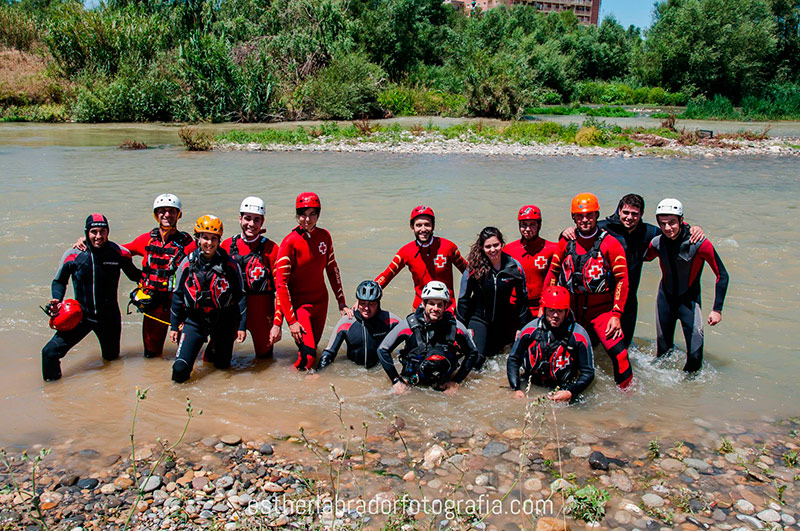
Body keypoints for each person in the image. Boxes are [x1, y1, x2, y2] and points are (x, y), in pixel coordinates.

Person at [560, 194, 704, 348]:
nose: (630, 217)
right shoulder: (603, 228)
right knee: (592, 345)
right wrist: (566, 231)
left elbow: (671, 231)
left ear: (641, 214)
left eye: (635, 214)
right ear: (619, 211)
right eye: (626, 213)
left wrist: (691, 228)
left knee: (624, 346)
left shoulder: (648, 232)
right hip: (604, 301)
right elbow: (580, 234)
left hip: (629, 300)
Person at [543, 193, 633, 389]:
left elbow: (622, 280)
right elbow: (553, 273)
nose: (585, 220)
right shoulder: (566, 242)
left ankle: (627, 398)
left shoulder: (610, 244)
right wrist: (545, 307)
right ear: (573, 218)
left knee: (620, 354)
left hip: (600, 312)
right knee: (559, 356)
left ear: (597, 215)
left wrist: (616, 315)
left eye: (590, 215)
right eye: (580, 216)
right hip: (571, 312)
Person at [41, 214, 141, 381]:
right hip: (81, 316)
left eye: (103, 231)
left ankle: (111, 402)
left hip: (109, 318)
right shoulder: (73, 254)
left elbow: (135, 275)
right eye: (94, 232)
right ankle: (53, 395)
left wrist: (156, 283)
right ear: (87, 233)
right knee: (49, 352)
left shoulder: (119, 253)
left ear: (108, 232)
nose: (98, 236)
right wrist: (57, 299)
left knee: (112, 363)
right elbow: (59, 281)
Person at [644, 199, 729, 372]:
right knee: (663, 355)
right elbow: (640, 258)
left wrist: (717, 309)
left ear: (682, 220)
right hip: (665, 301)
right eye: (663, 223)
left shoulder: (699, 243)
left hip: (689, 303)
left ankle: (691, 397)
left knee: (695, 359)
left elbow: (722, 275)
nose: (668, 228)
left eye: (672, 222)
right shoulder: (657, 243)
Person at [274, 192, 348, 370]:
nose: (307, 219)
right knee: (308, 357)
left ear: (318, 215)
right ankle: (294, 389)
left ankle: (304, 389)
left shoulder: (324, 236)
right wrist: (291, 322)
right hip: (300, 307)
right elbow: (281, 284)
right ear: (297, 215)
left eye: (312, 214)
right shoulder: (289, 242)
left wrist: (342, 303)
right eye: (303, 214)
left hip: (321, 303)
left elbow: (332, 269)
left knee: (312, 351)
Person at [169, 215, 246, 383]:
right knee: (179, 370)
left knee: (222, 370)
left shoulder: (230, 265)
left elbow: (240, 296)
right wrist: (174, 326)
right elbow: (177, 295)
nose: (209, 243)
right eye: (205, 237)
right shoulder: (187, 264)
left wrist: (241, 326)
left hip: (223, 321)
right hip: (195, 321)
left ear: (219, 240)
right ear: (198, 238)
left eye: (213, 238)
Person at [123, 194, 196, 358]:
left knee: (184, 357)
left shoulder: (188, 244)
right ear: (156, 215)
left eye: (171, 211)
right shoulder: (146, 240)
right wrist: (85, 243)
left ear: (179, 215)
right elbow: (117, 251)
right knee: (151, 357)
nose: (167, 215)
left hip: (177, 307)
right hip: (152, 306)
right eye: (162, 211)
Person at [377, 281, 479, 395]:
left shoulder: (456, 327)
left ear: (446, 306)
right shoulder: (408, 325)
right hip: (413, 384)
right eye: (431, 303)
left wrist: (456, 381)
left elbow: (473, 353)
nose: (435, 308)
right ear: (424, 304)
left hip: (444, 383)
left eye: (440, 304)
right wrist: (396, 381)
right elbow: (382, 350)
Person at [457, 227, 532, 369]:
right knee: (477, 361)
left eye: (496, 245)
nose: (493, 250)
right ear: (482, 248)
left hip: (503, 321)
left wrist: (521, 328)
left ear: (502, 244)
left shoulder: (514, 267)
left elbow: (523, 300)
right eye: (488, 246)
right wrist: (461, 329)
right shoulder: (474, 268)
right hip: (479, 319)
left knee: (502, 361)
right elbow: (463, 299)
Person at [218, 196, 282, 359]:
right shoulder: (225, 245)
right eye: (247, 218)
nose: (251, 224)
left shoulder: (272, 248)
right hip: (231, 312)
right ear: (239, 218)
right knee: (215, 360)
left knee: (265, 363)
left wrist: (277, 323)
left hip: (261, 314)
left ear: (263, 222)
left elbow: (281, 289)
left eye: (256, 220)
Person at [507, 286, 594, 401]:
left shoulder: (579, 336)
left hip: (564, 388)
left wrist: (570, 392)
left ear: (567, 311)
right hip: (530, 383)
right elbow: (513, 359)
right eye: (551, 310)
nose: (555, 315)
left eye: (560, 311)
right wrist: (516, 389)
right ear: (544, 309)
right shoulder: (529, 331)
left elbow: (588, 373)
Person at [375, 206, 467, 311]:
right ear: (412, 226)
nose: (423, 229)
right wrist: (365, 295)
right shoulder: (406, 251)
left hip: (447, 309)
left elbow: (469, 272)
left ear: (433, 226)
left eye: (427, 225)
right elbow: (386, 276)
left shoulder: (448, 247)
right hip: (419, 309)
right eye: (419, 225)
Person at [318, 281, 402, 370]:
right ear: (357, 302)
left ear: (378, 303)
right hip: (353, 371)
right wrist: (319, 373)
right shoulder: (347, 322)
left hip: (380, 370)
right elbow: (329, 353)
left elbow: (410, 336)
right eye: (363, 303)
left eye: (371, 304)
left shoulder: (390, 320)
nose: (366, 308)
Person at [503, 205, 559, 315]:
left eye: (532, 225)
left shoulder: (552, 249)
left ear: (539, 225)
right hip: (515, 306)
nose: (527, 229)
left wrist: (566, 232)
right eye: (524, 225)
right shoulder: (508, 250)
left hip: (541, 306)